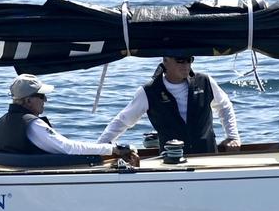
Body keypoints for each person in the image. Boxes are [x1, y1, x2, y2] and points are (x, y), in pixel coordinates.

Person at [0, 75, 136, 165]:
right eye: (41, 96)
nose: (45, 100)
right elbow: (69, 148)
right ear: (27, 101)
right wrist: (113, 149)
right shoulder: (33, 125)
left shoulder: (1, 122)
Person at [97, 54, 240, 153]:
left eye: (189, 60)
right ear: (165, 60)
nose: (186, 65)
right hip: (171, 164)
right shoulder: (148, 91)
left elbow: (225, 106)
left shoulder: (205, 81)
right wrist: (100, 147)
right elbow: (123, 121)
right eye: (180, 60)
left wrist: (233, 137)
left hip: (207, 158)